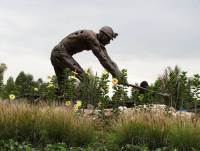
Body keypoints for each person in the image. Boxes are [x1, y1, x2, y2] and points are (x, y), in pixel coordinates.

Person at [50, 26, 122, 89]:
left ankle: (53, 102)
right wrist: (114, 74)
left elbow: (109, 61)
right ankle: (84, 102)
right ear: (103, 35)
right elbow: (103, 60)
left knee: (62, 87)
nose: (108, 42)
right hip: (60, 53)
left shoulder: (98, 44)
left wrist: (119, 76)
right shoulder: (92, 38)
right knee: (85, 78)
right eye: (108, 39)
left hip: (59, 53)